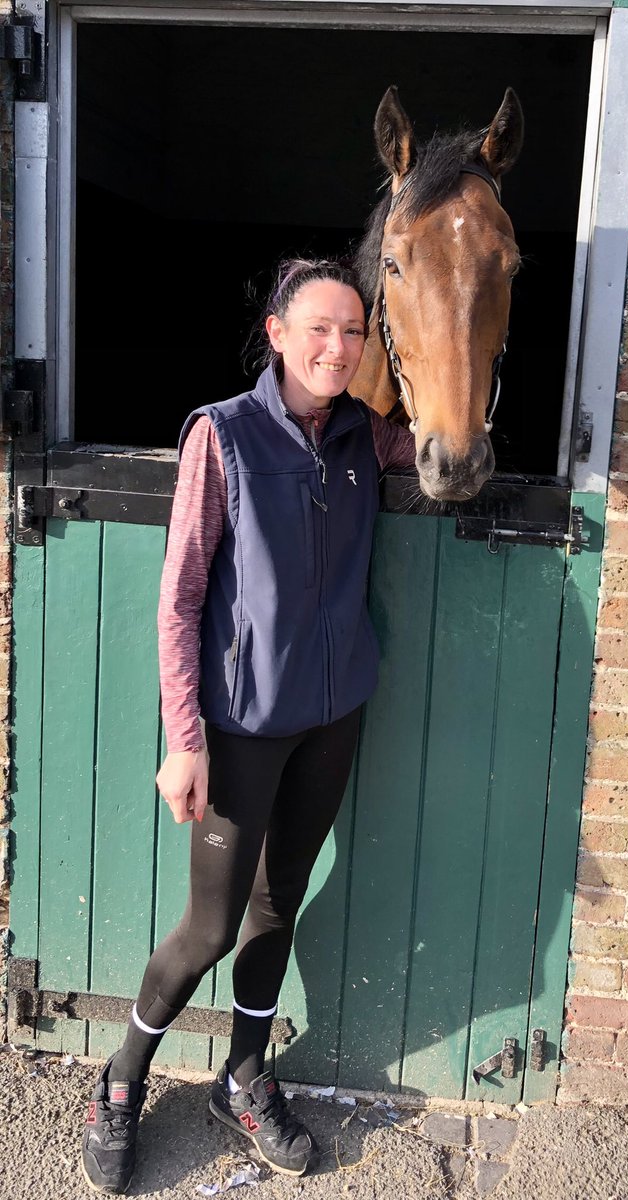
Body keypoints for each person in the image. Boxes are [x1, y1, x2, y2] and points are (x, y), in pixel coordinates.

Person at [80, 258, 416, 1195]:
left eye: (354, 332)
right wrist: (185, 738)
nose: (337, 349)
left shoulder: (363, 435)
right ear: (276, 331)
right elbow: (181, 595)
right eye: (318, 328)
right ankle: (122, 1082)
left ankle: (244, 1075)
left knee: (281, 902)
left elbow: (439, 454)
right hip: (240, 729)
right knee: (213, 923)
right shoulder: (222, 437)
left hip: (332, 718)